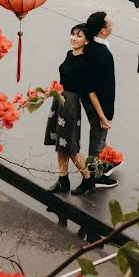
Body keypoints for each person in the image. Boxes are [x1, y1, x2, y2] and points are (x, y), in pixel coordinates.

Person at [44, 24, 96, 195]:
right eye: (72, 34)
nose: (73, 38)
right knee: (60, 144)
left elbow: (89, 91)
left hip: (71, 104)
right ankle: (63, 180)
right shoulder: (69, 54)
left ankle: (88, 180)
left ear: (87, 41)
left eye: (79, 36)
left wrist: (101, 117)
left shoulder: (86, 63)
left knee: (71, 147)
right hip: (59, 100)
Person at [82, 10, 119, 189]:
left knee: (98, 137)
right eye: (110, 24)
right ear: (103, 30)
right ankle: (95, 177)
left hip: (90, 101)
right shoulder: (102, 54)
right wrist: (106, 115)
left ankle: (101, 165)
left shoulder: (90, 46)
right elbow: (105, 88)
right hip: (100, 105)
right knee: (98, 139)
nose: (112, 26)